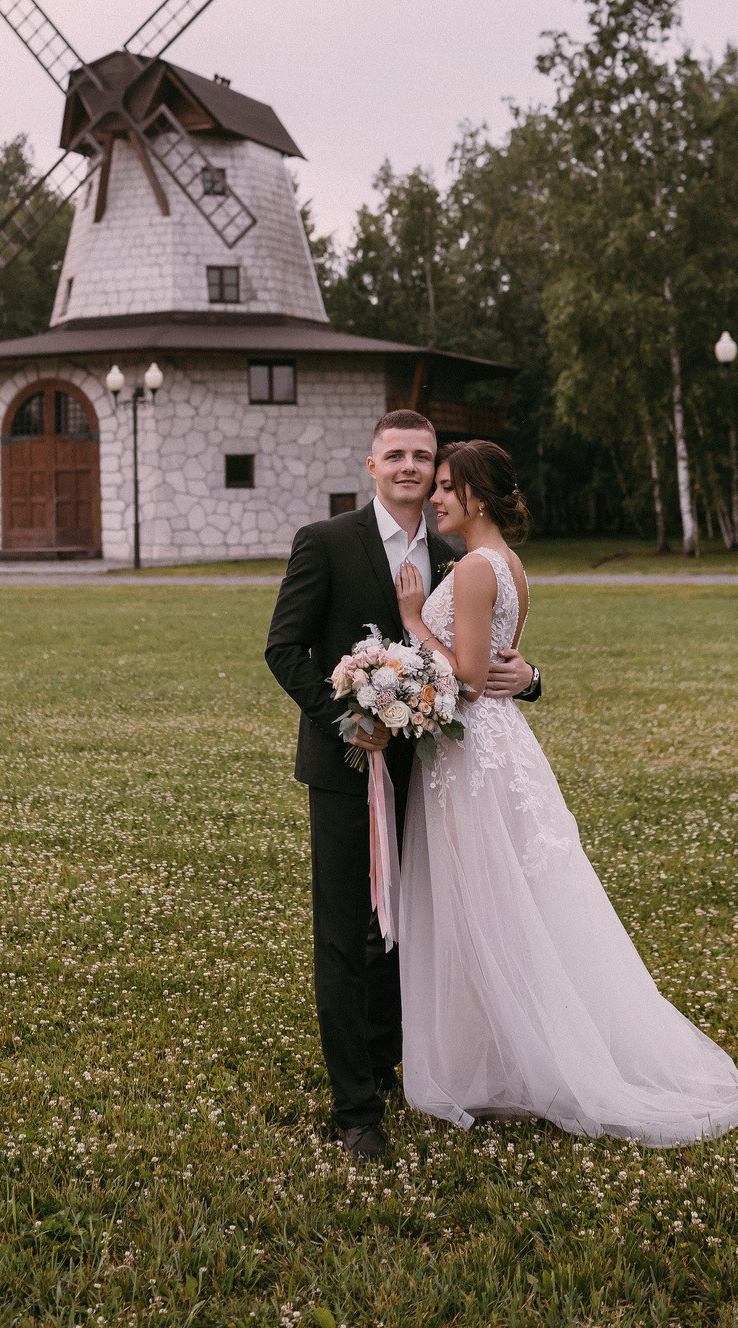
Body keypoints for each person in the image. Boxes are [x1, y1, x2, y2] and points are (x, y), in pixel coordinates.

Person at [396, 438, 738, 1145]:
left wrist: (411, 622)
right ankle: (501, 1057)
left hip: (475, 757)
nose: (434, 496)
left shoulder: (473, 568)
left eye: (445, 485)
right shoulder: (510, 566)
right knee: (510, 904)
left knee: (489, 903)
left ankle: (520, 1061)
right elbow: (496, 667)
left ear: (477, 495)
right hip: (498, 748)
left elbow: (468, 678)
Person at [265, 410, 539, 1159]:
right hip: (347, 767)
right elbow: (283, 648)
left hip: (436, 772)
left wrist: (533, 677)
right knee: (347, 933)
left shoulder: (457, 551)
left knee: (410, 927)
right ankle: (355, 1110)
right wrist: (343, 721)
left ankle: (388, 1063)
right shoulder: (325, 544)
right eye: (397, 455)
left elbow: (479, 657)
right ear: (371, 464)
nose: (412, 467)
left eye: (424, 456)